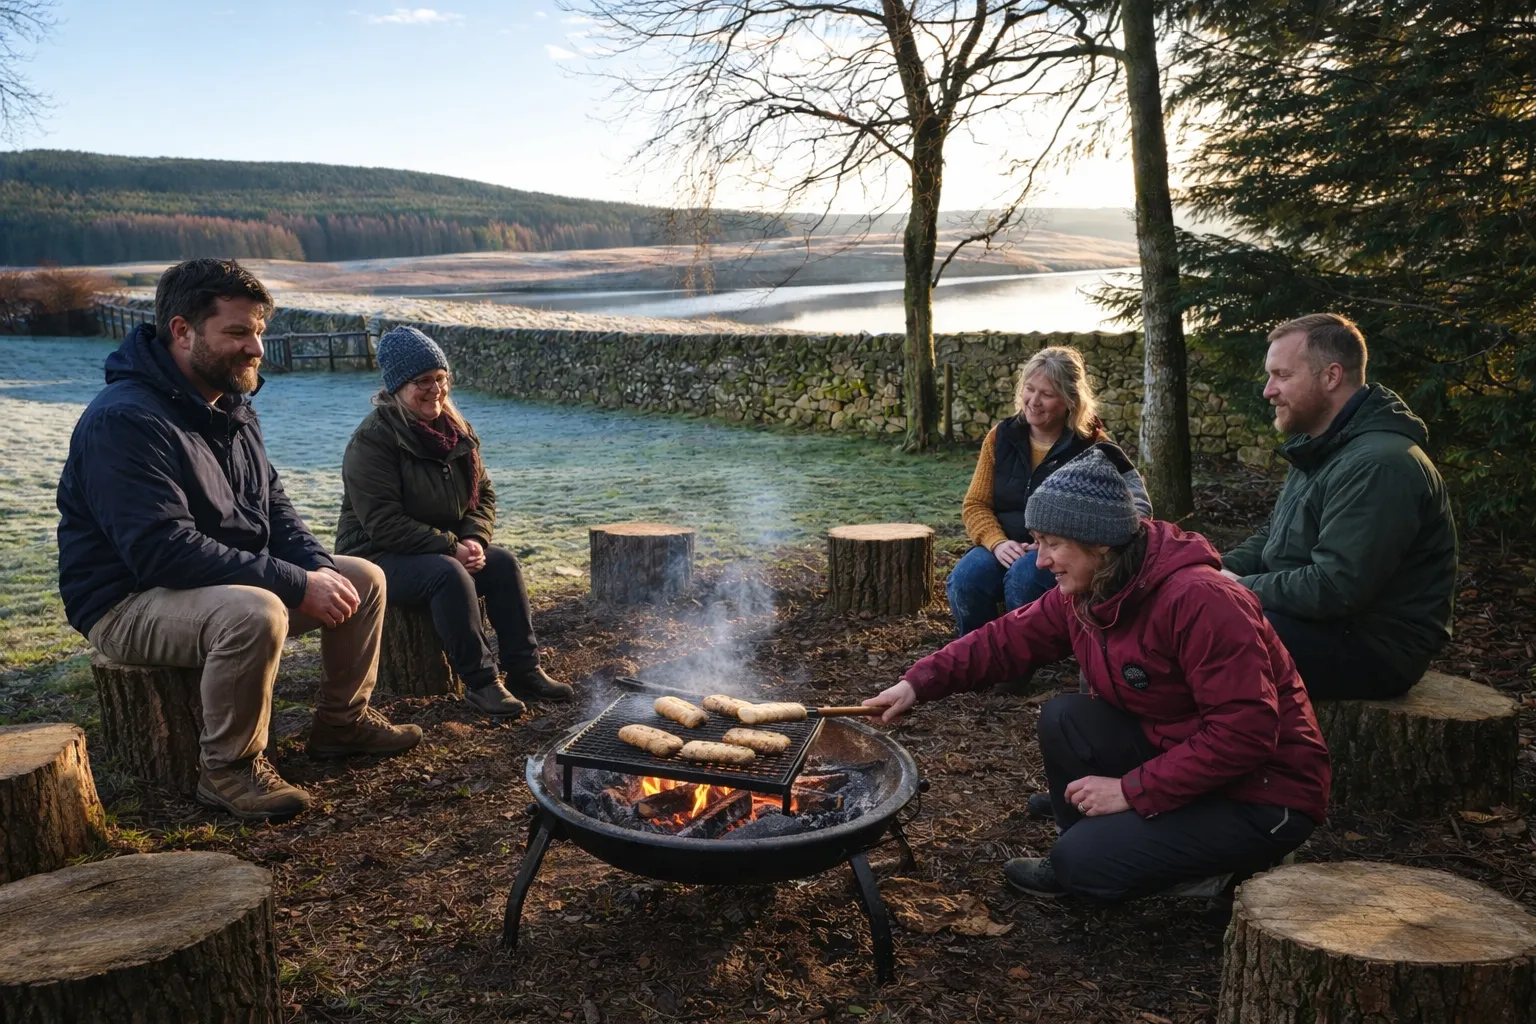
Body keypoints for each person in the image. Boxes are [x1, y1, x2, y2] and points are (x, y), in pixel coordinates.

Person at [864, 450, 1330, 902]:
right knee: (1065, 718)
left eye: (1053, 543)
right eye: (1037, 541)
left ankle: (1219, 872)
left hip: (1263, 794)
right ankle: (1106, 842)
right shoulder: (1091, 588)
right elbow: (1006, 639)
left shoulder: (1200, 601)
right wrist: (917, 683)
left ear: (1101, 540)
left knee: (1081, 866)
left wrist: (1130, 790)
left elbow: (1245, 735)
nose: (1040, 560)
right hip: (1184, 755)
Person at [56, 259, 421, 821]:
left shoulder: (232, 408)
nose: (256, 348)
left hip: (216, 583)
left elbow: (275, 508)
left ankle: (341, 723)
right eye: (237, 332)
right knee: (253, 613)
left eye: (259, 332)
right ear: (182, 331)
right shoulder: (125, 420)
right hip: (126, 600)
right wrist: (295, 584)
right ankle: (229, 770)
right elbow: (162, 551)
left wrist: (318, 570)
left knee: (362, 578)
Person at [335, 326, 571, 718]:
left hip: (438, 546)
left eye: (441, 379)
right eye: (422, 381)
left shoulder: (456, 430)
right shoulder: (373, 441)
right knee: (447, 574)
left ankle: (524, 670)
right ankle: (482, 683)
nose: (435, 390)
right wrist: (450, 547)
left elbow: (484, 495)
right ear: (396, 387)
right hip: (374, 557)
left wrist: (474, 538)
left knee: (502, 563)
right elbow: (383, 523)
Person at [1221, 314, 1457, 699]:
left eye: (1282, 375)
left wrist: (1240, 590)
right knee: (1189, 611)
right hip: (1322, 626)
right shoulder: (1325, 447)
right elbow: (1273, 536)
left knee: (1204, 632)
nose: (1268, 391)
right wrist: (1219, 569)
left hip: (1372, 650)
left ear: (1331, 376)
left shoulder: (1380, 464)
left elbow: (1336, 587)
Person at [947, 346, 1150, 639]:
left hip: (1059, 551)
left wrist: (1054, 544)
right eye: (1029, 389)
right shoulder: (1000, 437)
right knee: (966, 578)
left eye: (1047, 394)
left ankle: (1018, 665)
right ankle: (976, 658)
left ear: (1070, 401)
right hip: (1003, 543)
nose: (1034, 401)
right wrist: (997, 542)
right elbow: (975, 505)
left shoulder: (1093, 446)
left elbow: (1129, 510)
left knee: (1024, 577)